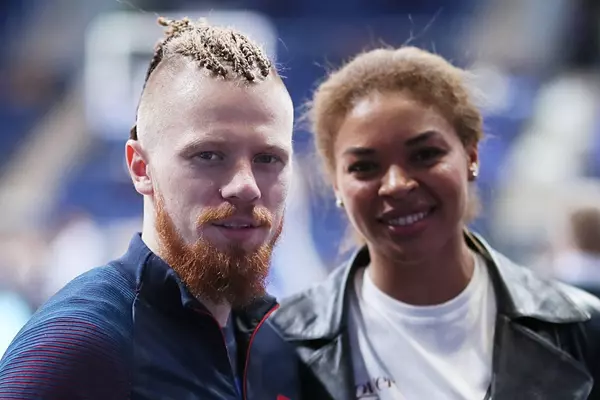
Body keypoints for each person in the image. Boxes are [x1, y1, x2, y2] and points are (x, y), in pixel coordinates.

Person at [268, 46, 600, 399]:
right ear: (336, 183)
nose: (397, 185)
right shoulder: (278, 347)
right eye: (364, 166)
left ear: (471, 156)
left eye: (425, 155)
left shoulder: (583, 331)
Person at [0, 17, 298, 400]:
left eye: (268, 158)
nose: (246, 186)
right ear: (141, 168)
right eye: (209, 155)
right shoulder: (77, 343)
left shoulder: (277, 345)